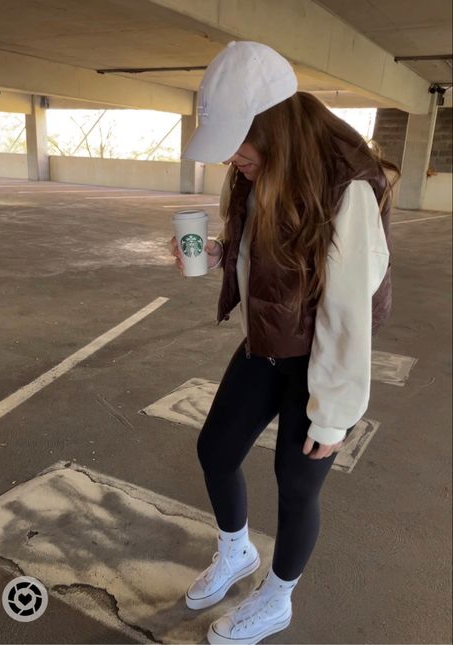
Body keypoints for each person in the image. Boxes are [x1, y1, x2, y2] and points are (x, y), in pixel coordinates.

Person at [169, 40, 399, 645]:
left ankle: (278, 597)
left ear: (272, 127)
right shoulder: (265, 168)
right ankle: (236, 551)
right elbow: (262, 252)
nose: (232, 161)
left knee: (296, 483)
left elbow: (349, 311)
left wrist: (334, 413)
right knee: (217, 450)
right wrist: (222, 254)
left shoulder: (345, 185)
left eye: (238, 145)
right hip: (269, 341)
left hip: (318, 358)